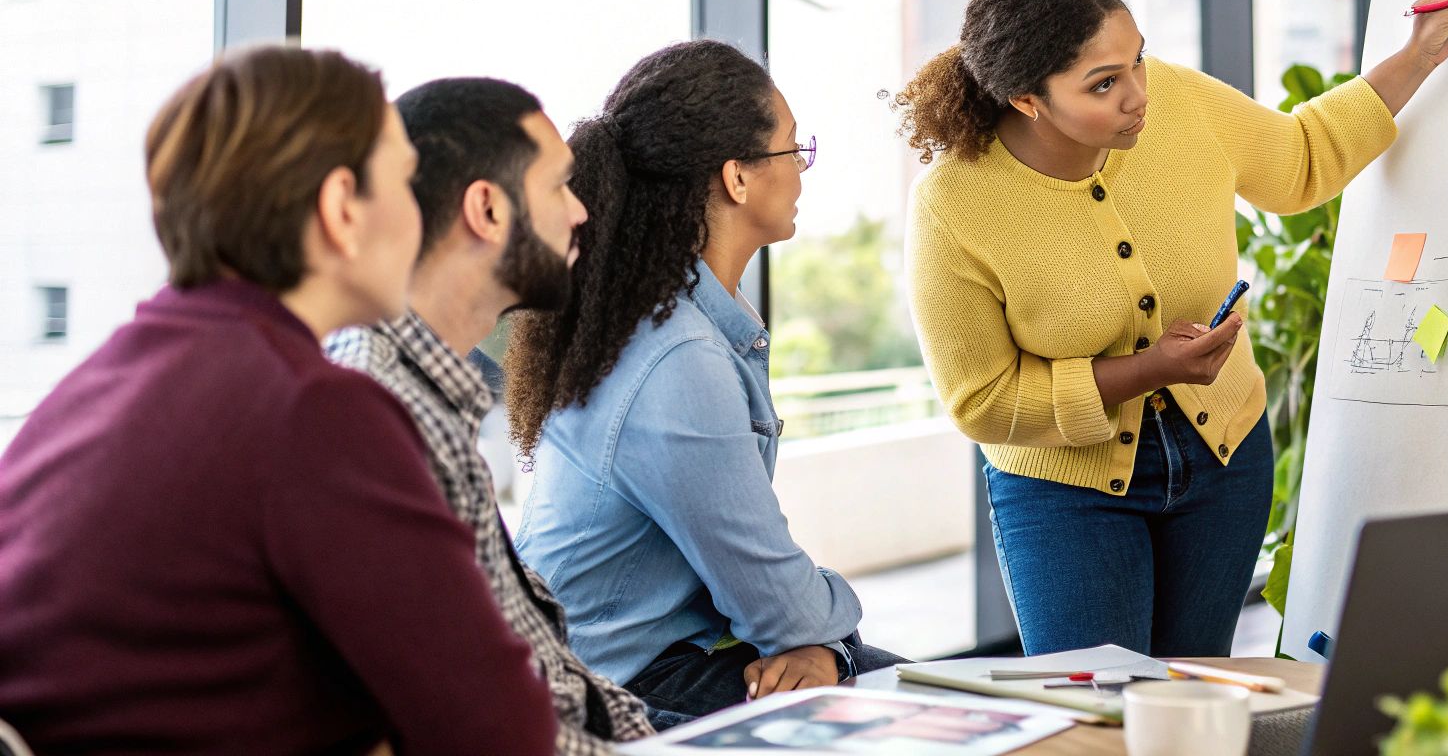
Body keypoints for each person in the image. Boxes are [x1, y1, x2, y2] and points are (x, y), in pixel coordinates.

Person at [895, 0, 1448, 657]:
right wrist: (1149, 371)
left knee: (1192, 704)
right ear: (1028, 99)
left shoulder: (1179, 103)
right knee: (1100, 721)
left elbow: (1301, 159)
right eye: (1103, 84)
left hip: (1223, 460)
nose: (1138, 94)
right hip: (1065, 492)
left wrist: (1420, 54)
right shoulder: (954, 204)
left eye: (1137, 60)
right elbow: (981, 400)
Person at [0, 46, 561, 754]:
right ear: (341, 210)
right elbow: (505, 734)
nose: (423, 217)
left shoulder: (96, 385)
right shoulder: (314, 411)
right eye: (406, 183)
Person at [507, 40, 902, 723]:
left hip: (679, 651)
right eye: (791, 151)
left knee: (907, 689)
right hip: (618, 684)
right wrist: (827, 637)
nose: (804, 174)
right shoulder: (676, 357)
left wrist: (818, 641)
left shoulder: (677, 320)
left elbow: (773, 604)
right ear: (737, 179)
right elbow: (780, 603)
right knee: (922, 707)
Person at [326, 77, 655, 749]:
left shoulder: (425, 393)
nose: (581, 212)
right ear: (488, 208)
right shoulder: (382, 410)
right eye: (559, 186)